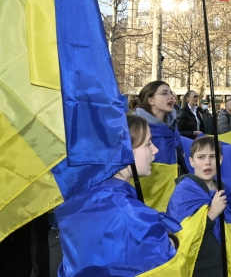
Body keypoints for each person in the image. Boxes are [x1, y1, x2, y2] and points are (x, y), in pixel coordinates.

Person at [55, 115, 180, 276]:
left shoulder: (88, 194)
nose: (155, 149)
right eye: (148, 143)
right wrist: (171, 241)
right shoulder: (124, 208)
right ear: (125, 151)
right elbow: (164, 257)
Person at [167, 136, 231, 276]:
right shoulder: (184, 191)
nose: (207, 163)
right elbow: (180, 233)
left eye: (213, 157)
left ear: (220, 160)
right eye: (201, 157)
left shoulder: (225, 191)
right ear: (191, 161)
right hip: (199, 264)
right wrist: (211, 214)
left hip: (223, 260)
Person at [134, 81, 189, 211]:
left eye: (171, 93)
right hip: (146, 196)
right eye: (164, 93)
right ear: (151, 100)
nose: (171, 96)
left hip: (169, 194)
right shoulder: (136, 127)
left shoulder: (172, 127)